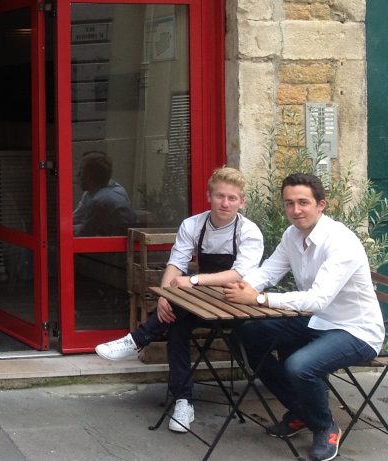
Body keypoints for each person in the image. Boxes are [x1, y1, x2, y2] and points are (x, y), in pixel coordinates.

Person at [222, 172, 384, 461]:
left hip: (355, 330)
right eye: (289, 203)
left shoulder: (340, 243)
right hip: (316, 320)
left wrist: (258, 299)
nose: (295, 211)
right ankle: (301, 410)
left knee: (299, 366)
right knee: (244, 337)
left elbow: (319, 298)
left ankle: (325, 426)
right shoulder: (292, 235)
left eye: (303, 203)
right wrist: (248, 286)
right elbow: (271, 269)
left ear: (321, 205)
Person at [94, 166, 263, 434]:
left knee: (178, 316)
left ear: (242, 202)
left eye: (232, 198)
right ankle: (184, 402)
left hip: (234, 303)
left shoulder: (249, 232)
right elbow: (176, 264)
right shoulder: (194, 224)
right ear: (209, 196)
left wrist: (194, 281)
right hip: (200, 302)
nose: (225, 203)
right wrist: (164, 296)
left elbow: (238, 273)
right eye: (220, 196)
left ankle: (136, 340)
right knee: (176, 325)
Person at [72, 151, 135, 237]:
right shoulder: (93, 192)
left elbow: (85, 233)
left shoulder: (101, 201)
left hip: (114, 247)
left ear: (90, 177)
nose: (78, 175)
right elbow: (76, 218)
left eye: (81, 171)